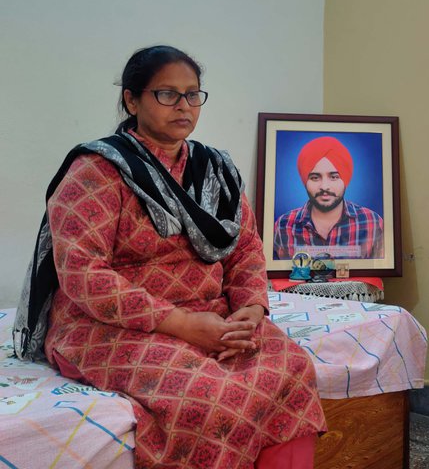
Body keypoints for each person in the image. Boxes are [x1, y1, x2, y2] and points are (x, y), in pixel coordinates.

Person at [12, 45, 326, 469]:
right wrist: (181, 325)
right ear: (131, 99)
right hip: (107, 325)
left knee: (291, 368)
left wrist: (250, 310)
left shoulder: (216, 169)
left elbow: (246, 247)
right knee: (210, 396)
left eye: (193, 94)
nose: (184, 106)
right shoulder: (98, 170)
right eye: (167, 94)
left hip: (211, 314)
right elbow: (83, 274)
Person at [272, 136, 384, 260]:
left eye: (334, 177)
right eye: (315, 177)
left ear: (345, 180)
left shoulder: (372, 222)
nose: (324, 186)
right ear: (305, 181)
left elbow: (380, 271)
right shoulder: (284, 225)